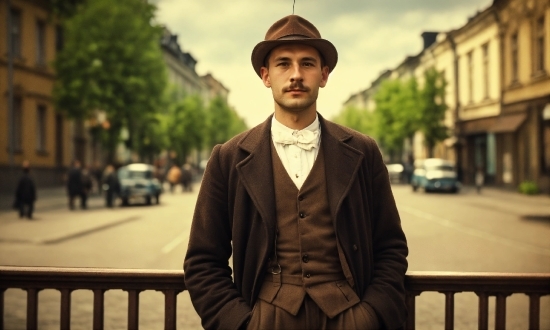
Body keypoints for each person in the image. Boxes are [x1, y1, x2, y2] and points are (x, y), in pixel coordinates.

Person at [184, 15, 408, 330]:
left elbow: (391, 247)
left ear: (324, 75)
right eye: (283, 64)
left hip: (350, 317)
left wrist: (371, 316)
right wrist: (240, 324)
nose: (296, 75)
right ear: (265, 76)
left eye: (307, 64)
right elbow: (202, 261)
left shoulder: (363, 151)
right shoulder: (228, 158)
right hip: (266, 319)